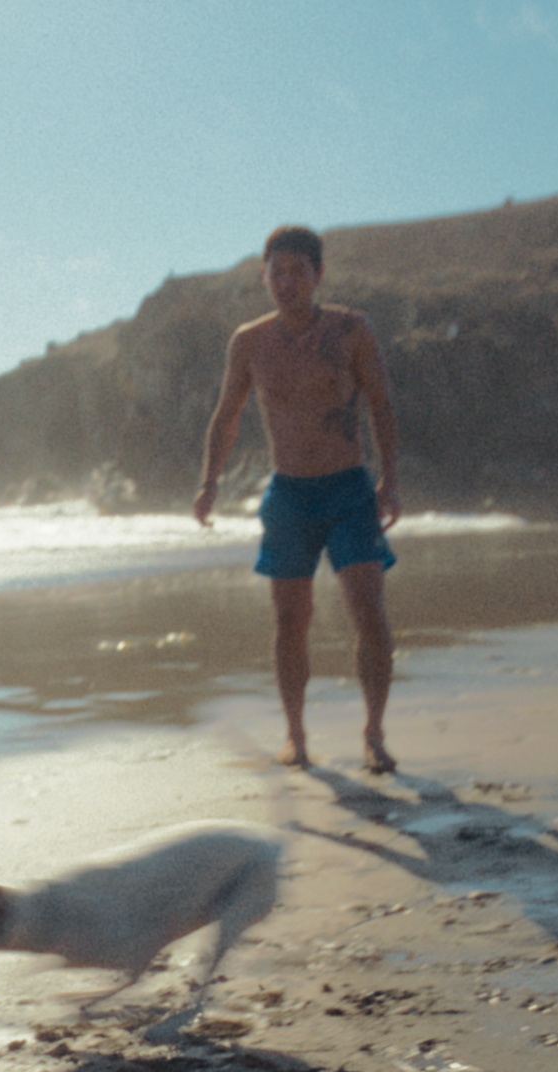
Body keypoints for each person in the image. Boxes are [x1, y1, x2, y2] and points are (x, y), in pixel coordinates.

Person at [194, 225, 402, 775]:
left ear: (318, 274)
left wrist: (390, 479)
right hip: (289, 495)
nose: (286, 282)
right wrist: (209, 482)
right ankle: (295, 734)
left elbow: (381, 404)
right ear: (264, 277)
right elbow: (226, 416)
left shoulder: (352, 330)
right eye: (276, 272)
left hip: (349, 489)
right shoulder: (249, 342)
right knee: (290, 620)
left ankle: (374, 733)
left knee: (369, 612)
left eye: (298, 271)